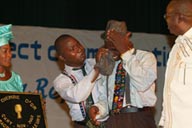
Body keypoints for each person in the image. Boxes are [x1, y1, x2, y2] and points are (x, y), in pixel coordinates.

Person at [89, 20, 157, 128]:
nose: (111, 43)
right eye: (108, 39)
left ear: (126, 38)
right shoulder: (108, 64)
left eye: (115, 39)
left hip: (138, 118)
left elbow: (143, 84)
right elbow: (107, 98)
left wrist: (125, 53)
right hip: (114, 120)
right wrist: (99, 109)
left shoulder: (145, 57)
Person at [53, 34, 108, 128]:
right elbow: (77, 96)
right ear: (62, 57)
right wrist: (96, 70)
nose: (79, 49)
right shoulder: (61, 81)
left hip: (109, 122)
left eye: (78, 44)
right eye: (72, 49)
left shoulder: (94, 63)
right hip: (83, 125)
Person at [159, 0, 192, 128]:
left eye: (167, 16)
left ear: (179, 17)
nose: (165, 20)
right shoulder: (178, 46)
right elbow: (170, 91)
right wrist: (163, 122)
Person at [0, 24, 23, 92]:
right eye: (5, 51)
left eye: (10, 51)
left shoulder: (16, 79)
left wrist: (34, 99)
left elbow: (18, 101)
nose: (10, 55)